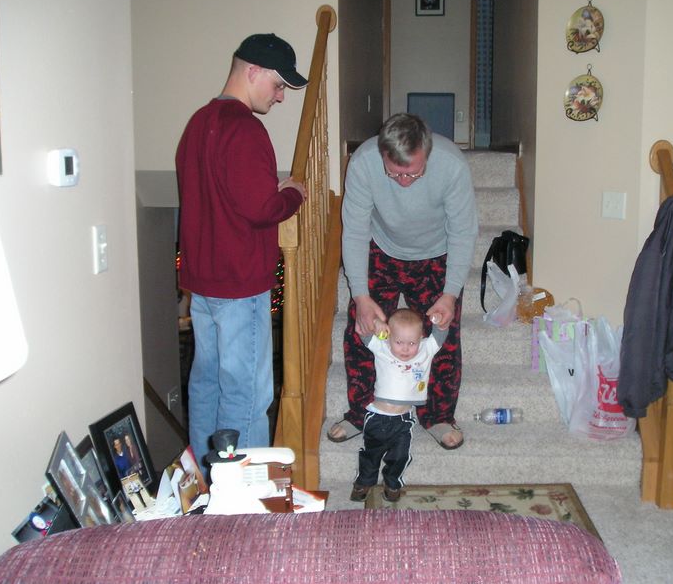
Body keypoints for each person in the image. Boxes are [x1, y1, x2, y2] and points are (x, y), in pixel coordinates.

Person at [176, 33, 307, 475]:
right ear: (253, 71)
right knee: (247, 393)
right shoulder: (246, 129)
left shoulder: (197, 124)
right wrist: (292, 194)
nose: (280, 96)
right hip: (240, 285)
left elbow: (220, 199)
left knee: (207, 385)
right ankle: (243, 491)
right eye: (278, 84)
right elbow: (261, 209)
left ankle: (206, 481)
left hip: (203, 284)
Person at [330, 113, 478, 450]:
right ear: (383, 153)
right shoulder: (364, 163)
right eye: (394, 172)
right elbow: (354, 231)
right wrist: (360, 296)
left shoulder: (452, 166)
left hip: (435, 254)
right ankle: (362, 412)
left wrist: (451, 294)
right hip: (382, 249)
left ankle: (438, 416)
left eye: (413, 172)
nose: (404, 181)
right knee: (363, 328)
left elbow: (463, 232)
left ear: (427, 152)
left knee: (443, 334)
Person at [349, 308, 448, 503]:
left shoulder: (425, 350)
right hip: (377, 417)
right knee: (371, 453)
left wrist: (439, 320)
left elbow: (440, 335)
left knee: (400, 456)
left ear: (421, 338)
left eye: (412, 343)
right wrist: (375, 323)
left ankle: (392, 482)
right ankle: (365, 481)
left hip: (403, 420)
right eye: (399, 342)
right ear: (388, 338)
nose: (405, 349)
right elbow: (362, 331)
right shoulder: (382, 347)